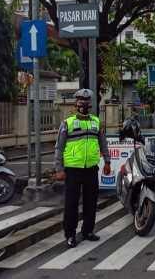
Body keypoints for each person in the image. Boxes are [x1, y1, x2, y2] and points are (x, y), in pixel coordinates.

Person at [54, 88, 112, 248]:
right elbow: (59, 147)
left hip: (91, 169)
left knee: (91, 202)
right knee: (71, 204)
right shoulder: (67, 123)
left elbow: (103, 143)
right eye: (80, 101)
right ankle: (70, 234)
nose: (84, 104)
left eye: (86, 101)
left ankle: (88, 231)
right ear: (75, 103)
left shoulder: (96, 122)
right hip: (72, 169)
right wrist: (58, 168)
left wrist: (107, 162)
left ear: (91, 104)